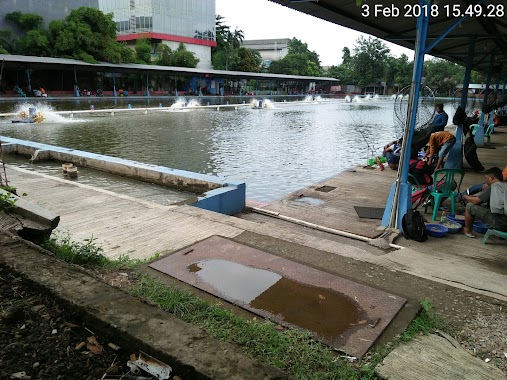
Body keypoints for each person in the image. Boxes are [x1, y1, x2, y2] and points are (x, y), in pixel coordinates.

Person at [462, 167, 507, 238]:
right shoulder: (504, 185)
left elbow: (475, 201)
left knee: (469, 206)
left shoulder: (495, 186)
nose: (485, 181)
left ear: (491, 178)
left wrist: (465, 197)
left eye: (486, 178)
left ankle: (468, 231)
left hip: (500, 223)